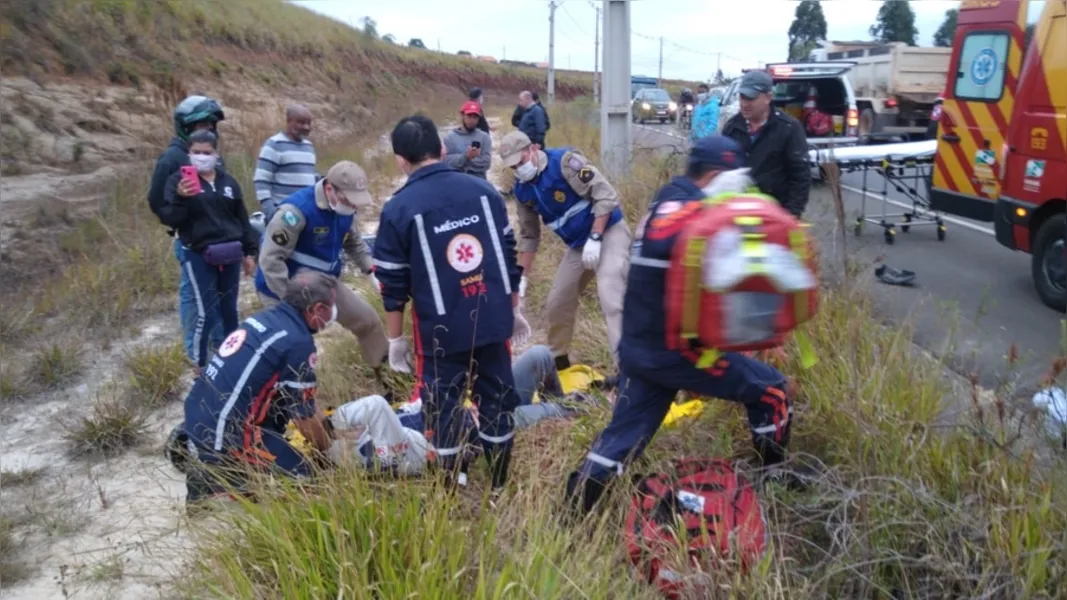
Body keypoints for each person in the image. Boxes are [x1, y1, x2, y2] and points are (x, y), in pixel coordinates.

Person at [564, 136, 797, 515]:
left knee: (621, 441)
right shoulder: (699, 215)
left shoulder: (667, 200)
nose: (741, 185)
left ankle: (573, 514)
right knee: (772, 391)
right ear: (720, 173)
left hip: (639, 349)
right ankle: (774, 486)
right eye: (738, 176)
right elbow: (729, 282)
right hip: (679, 352)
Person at [372, 114, 528, 492]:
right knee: (497, 403)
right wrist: (514, 309)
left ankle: (451, 488)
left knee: (442, 411)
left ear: (400, 159)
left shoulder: (398, 209)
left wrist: (395, 340)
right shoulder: (485, 194)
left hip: (440, 333)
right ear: (442, 150)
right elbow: (509, 257)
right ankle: (499, 486)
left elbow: (392, 285)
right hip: (491, 319)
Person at [182, 271, 338, 509]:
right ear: (316, 309)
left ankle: (210, 459)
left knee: (279, 405)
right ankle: (217, 482)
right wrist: (328, 451)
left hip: (198, 410)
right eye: (331, 306)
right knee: (307, 482)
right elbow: (304, 417)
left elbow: (303, 401)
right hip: (225, 434)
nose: (334, 312)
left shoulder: (270, 319)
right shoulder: (297, 343)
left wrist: (324, 427)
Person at [326, 345, 601, 475]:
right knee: (563, 408)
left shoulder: (376, 431)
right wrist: (330, 425)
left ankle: (562, 416)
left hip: (479, 405)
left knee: (539, 355)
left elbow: (418, 403)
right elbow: (375, 405)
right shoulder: (389, 453)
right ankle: (585, 409)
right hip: (491, 425)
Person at [497, 130, 631, 372]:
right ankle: (557, 363)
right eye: (513, 167)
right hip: (579, 246)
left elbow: (606, 196)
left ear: (533, 149)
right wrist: (522, 279)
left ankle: (627, 371)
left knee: (611, 295)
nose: (519, 168)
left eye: (522, 161)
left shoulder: (566, 163)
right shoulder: (523, 191)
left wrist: (596, 236)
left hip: (608, 231)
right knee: (558, 301)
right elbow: (529, 236)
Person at [253, 160, 392, 383]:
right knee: (295, 348)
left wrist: (371, 271)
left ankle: (388, 379)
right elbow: (270, 261)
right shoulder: (295, 212)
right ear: (330, 190)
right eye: (349, 200)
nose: (354, 207)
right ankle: (293, 404)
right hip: (282, 287)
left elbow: (354, 242)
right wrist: (293, 303)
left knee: (368, 321)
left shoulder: (344, 208)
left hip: (323, 283)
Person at [157, 130, 258, 371]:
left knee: (230, 310)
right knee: (206, 312)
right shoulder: (178, 182)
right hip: (199, 254)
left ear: (216, 153)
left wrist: (250, 252)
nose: (202, 157)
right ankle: (199, 364)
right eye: (196, 153)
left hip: (231, 253)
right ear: (188, 154)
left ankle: (231, 359)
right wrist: (181, 198)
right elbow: (170, 218)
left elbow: (242, 220)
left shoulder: (228, 183)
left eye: (207, 152)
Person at [148, 95, 227, 367]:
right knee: (194, 297)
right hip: (192, 241)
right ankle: (196, 353)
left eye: (211, 124)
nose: (208, 129)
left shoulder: (208, 153)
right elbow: (157, 201)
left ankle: (220, 346)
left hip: (218, 239)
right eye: (202, 124)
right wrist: (180, 216)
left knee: (217, 295)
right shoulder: (172, 158)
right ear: (185, 126)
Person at [721, 70, 811, 218]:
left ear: (768, 97)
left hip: (775, 215)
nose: (744, 103)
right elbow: (722, 170)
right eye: (742, 97)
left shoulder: (788, 128)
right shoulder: (732, 128)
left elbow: (800, 176)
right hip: (739, 214)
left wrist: (791, 216)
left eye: (751, 98)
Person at [253, 104, 318, 222]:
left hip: (307, 214)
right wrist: (271, 212)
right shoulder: (274, 145)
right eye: (301, 122)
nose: (306, 127)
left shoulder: (309, 146)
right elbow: (261, 181)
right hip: (283, 216)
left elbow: (308, 176)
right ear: (288, 121)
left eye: (309, 123)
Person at [443, 101, 493, 180]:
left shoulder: (484, 137)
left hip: (478, 183)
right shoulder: (450, 138)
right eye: (469, 116)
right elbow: (446, 161)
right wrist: (466, 157)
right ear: (462, 115)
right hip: (457, 183)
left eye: (475, 117)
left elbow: (486, 163)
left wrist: (464, 162)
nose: (472, 120)